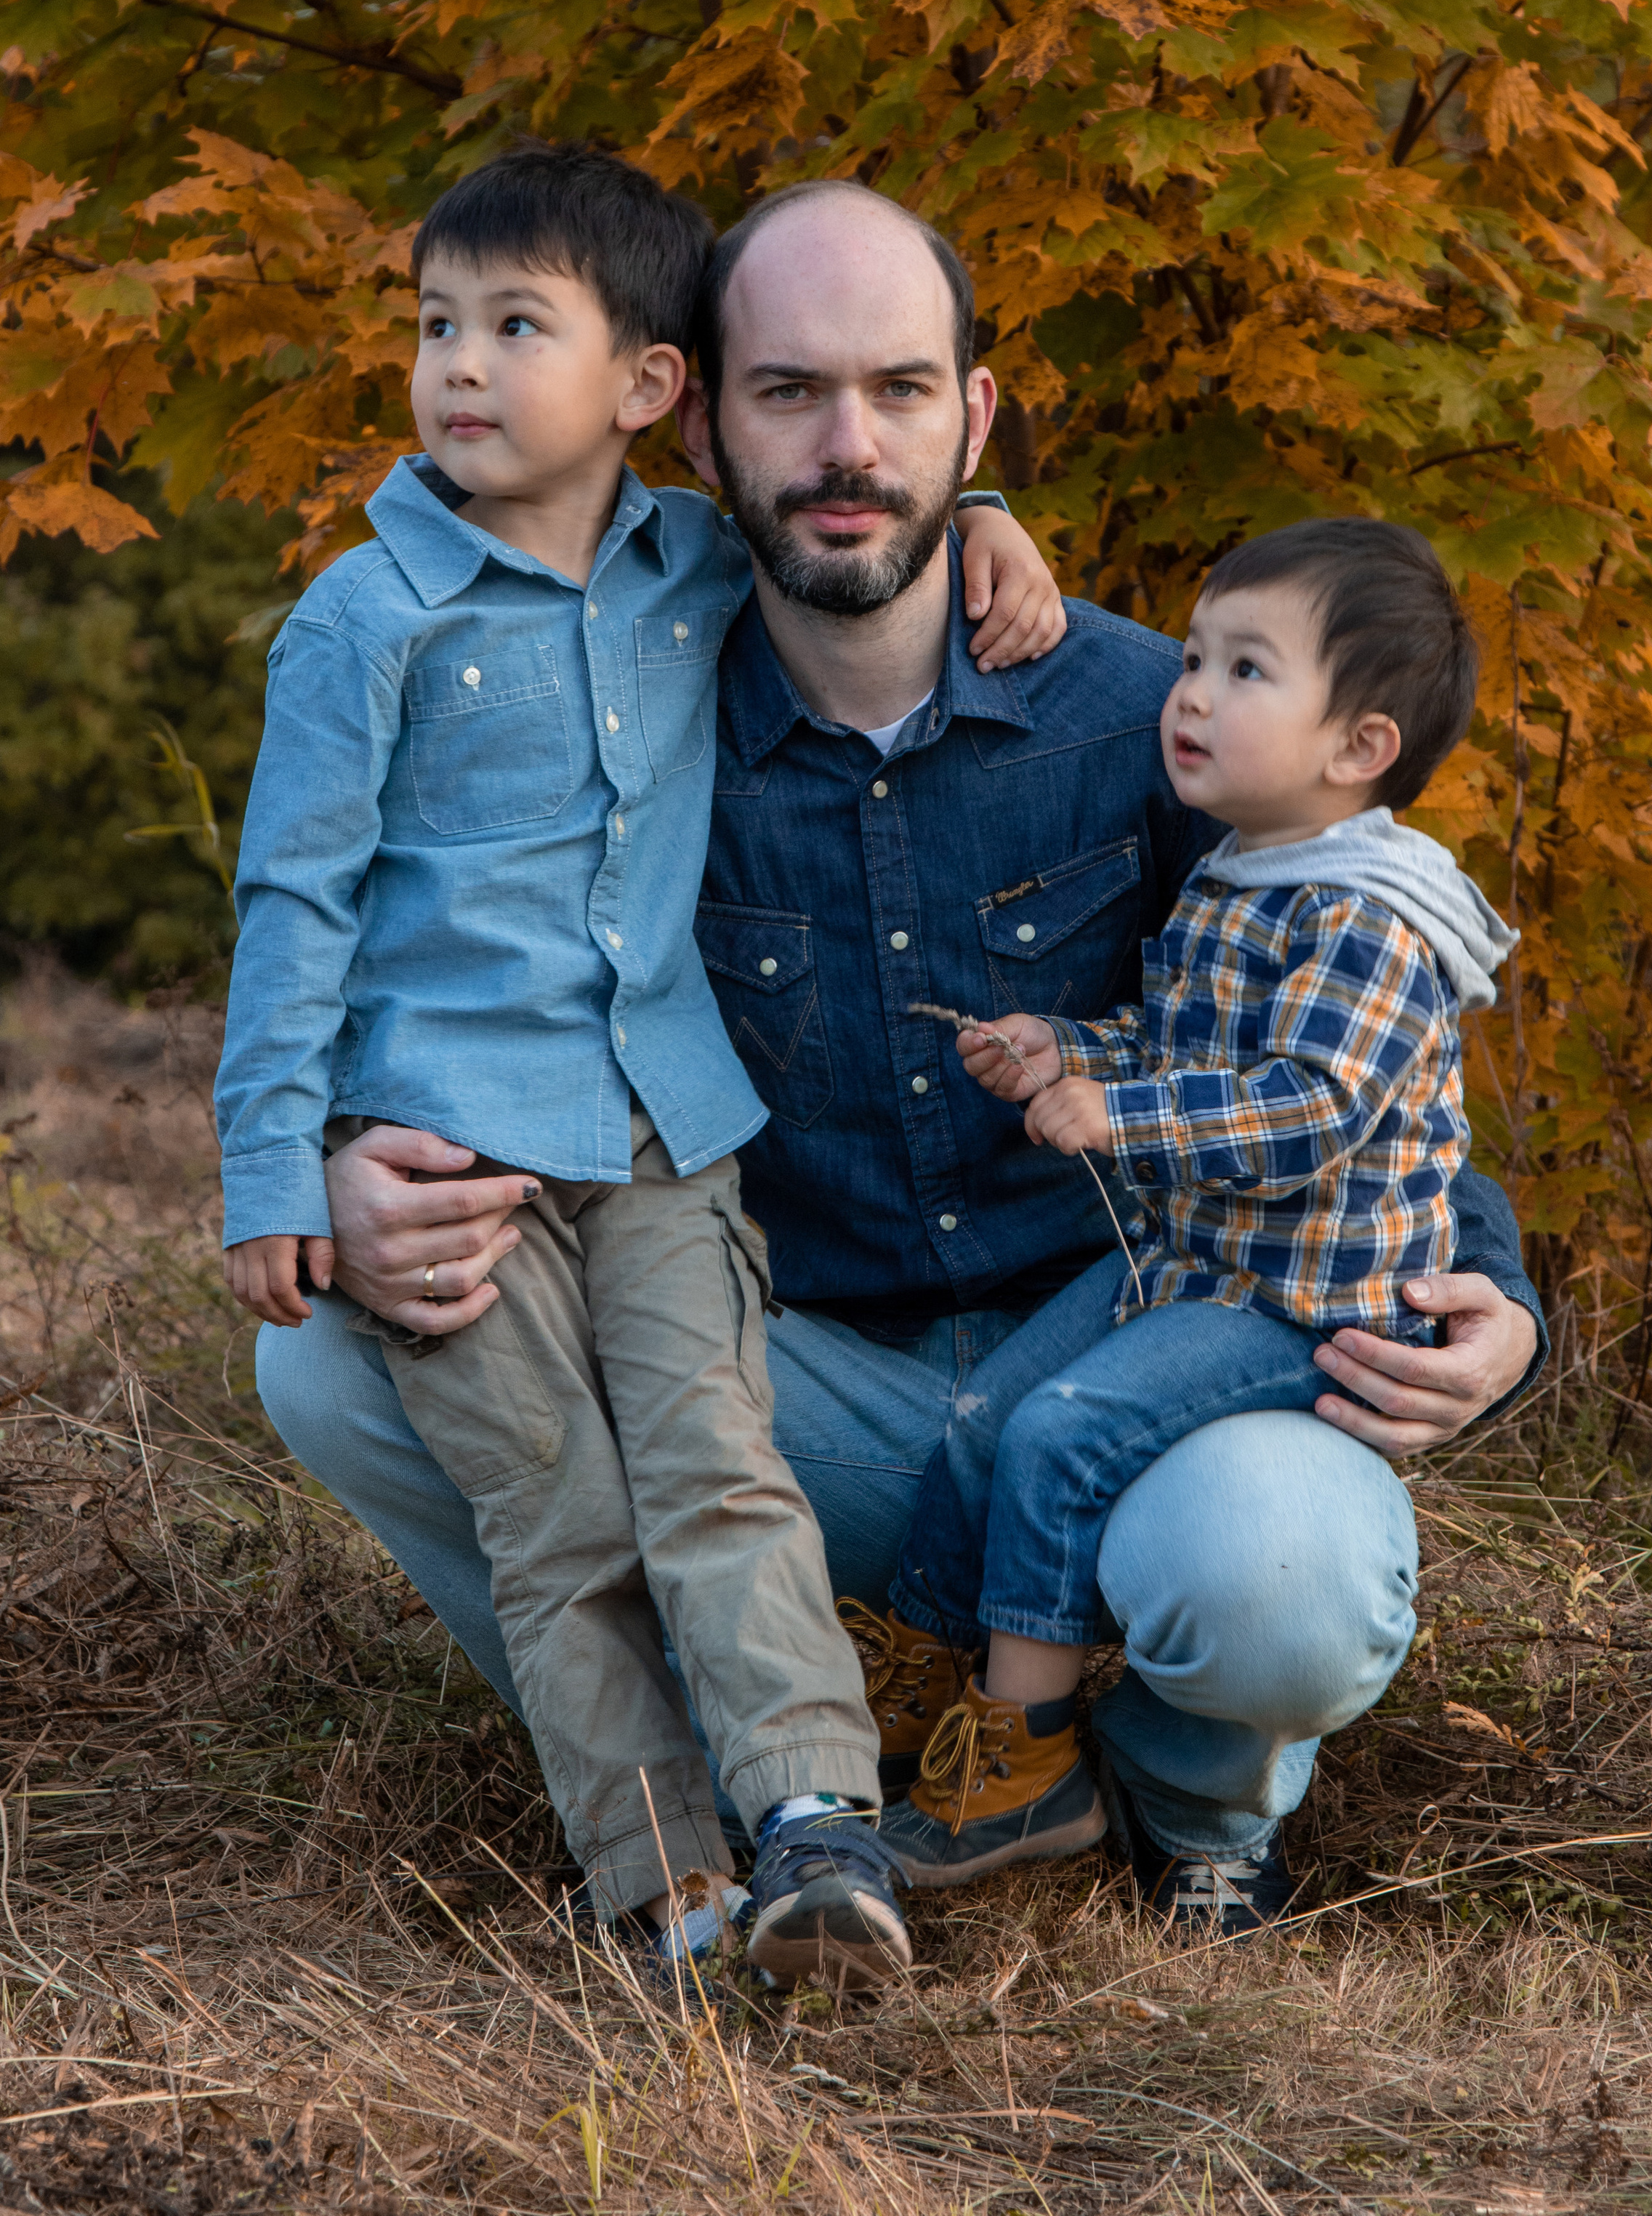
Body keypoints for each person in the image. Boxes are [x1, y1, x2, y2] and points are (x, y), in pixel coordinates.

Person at [256, 177, 1548, 1938]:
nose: (846, 446)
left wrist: (1490, 1290)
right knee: (341, 1353)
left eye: (901, 392)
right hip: (794, 1388)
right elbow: (404, 937)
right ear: (693, 416)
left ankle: (1168, 1802)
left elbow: (1341, 1039)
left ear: (974, 416)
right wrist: (346, 1154)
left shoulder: (1140, 718)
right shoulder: (621, 708)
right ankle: (742, 1797)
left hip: (1131, 1354)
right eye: (788, 393)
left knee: (1275, 1567)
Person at [214, 142, 1061, 1989]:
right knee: (562, 1518)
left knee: (713, 1467)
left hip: (668, 1134)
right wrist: (274, 1170)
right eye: (437, 323)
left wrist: (976, 512)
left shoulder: (687, 566)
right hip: (461, 1160)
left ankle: (816, 1825)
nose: (457, 365)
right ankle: (669, 1882)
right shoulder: (365, 622)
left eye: (516, 325)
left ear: (645, 390)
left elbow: (851, 512)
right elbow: (291, 908)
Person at [877, 519, 1518, 1885]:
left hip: (1302, 1305)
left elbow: (1308, 1109)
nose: (1191, 695)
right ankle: (922, 1674)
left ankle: (1024, 1759)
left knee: (1059, 1432)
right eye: (1191, 658)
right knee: (990, 1417)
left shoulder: (1370, 918)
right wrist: (1064, 1052)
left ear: (1360, 749)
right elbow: (1180, 1055)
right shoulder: (1242, 876)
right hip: (1194, 1262)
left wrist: (1119, 1114)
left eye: (1245, 670)